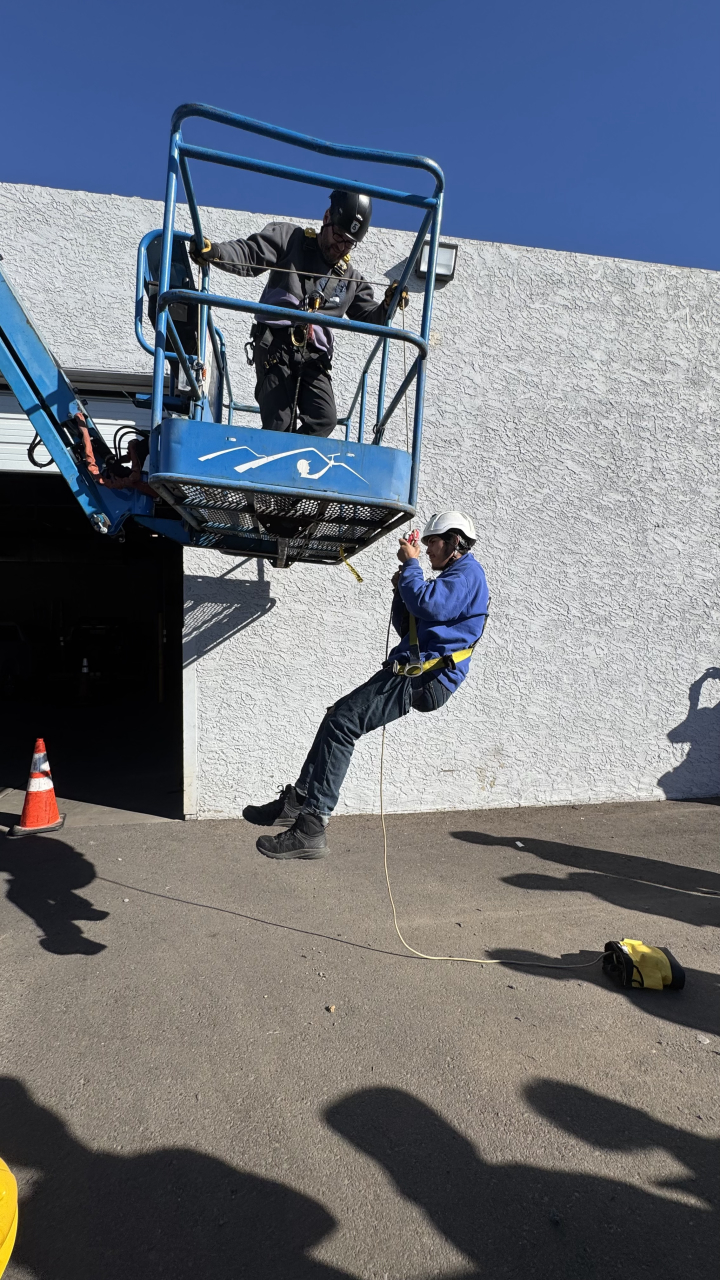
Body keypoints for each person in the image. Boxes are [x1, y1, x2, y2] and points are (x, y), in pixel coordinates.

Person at [243, 511, 489, 860]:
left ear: (455, 542)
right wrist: (402, 587)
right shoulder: (454, 577)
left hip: (426, 677)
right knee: (336, 716)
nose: (428, 549)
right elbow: (410, 626)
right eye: (426, 544)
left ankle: (311, 827)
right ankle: (296, 803)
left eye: (433, 542)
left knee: (343, 723)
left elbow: (428, 604)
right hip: (415, 671)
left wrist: (412, 566)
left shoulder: (467, 574)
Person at [190, 190, 408, 436]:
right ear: (327, 217)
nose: (340, 247)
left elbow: (371, 317)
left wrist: (389, 304)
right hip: (276, 344)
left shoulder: (351, 280)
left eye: (349, 243)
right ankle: (277, 450)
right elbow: (250, 254)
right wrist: (216, 252)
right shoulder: (290, 239)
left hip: (314, 357)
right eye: (338, 235)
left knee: (324, 419)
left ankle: (289, 455)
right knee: (279, 423)